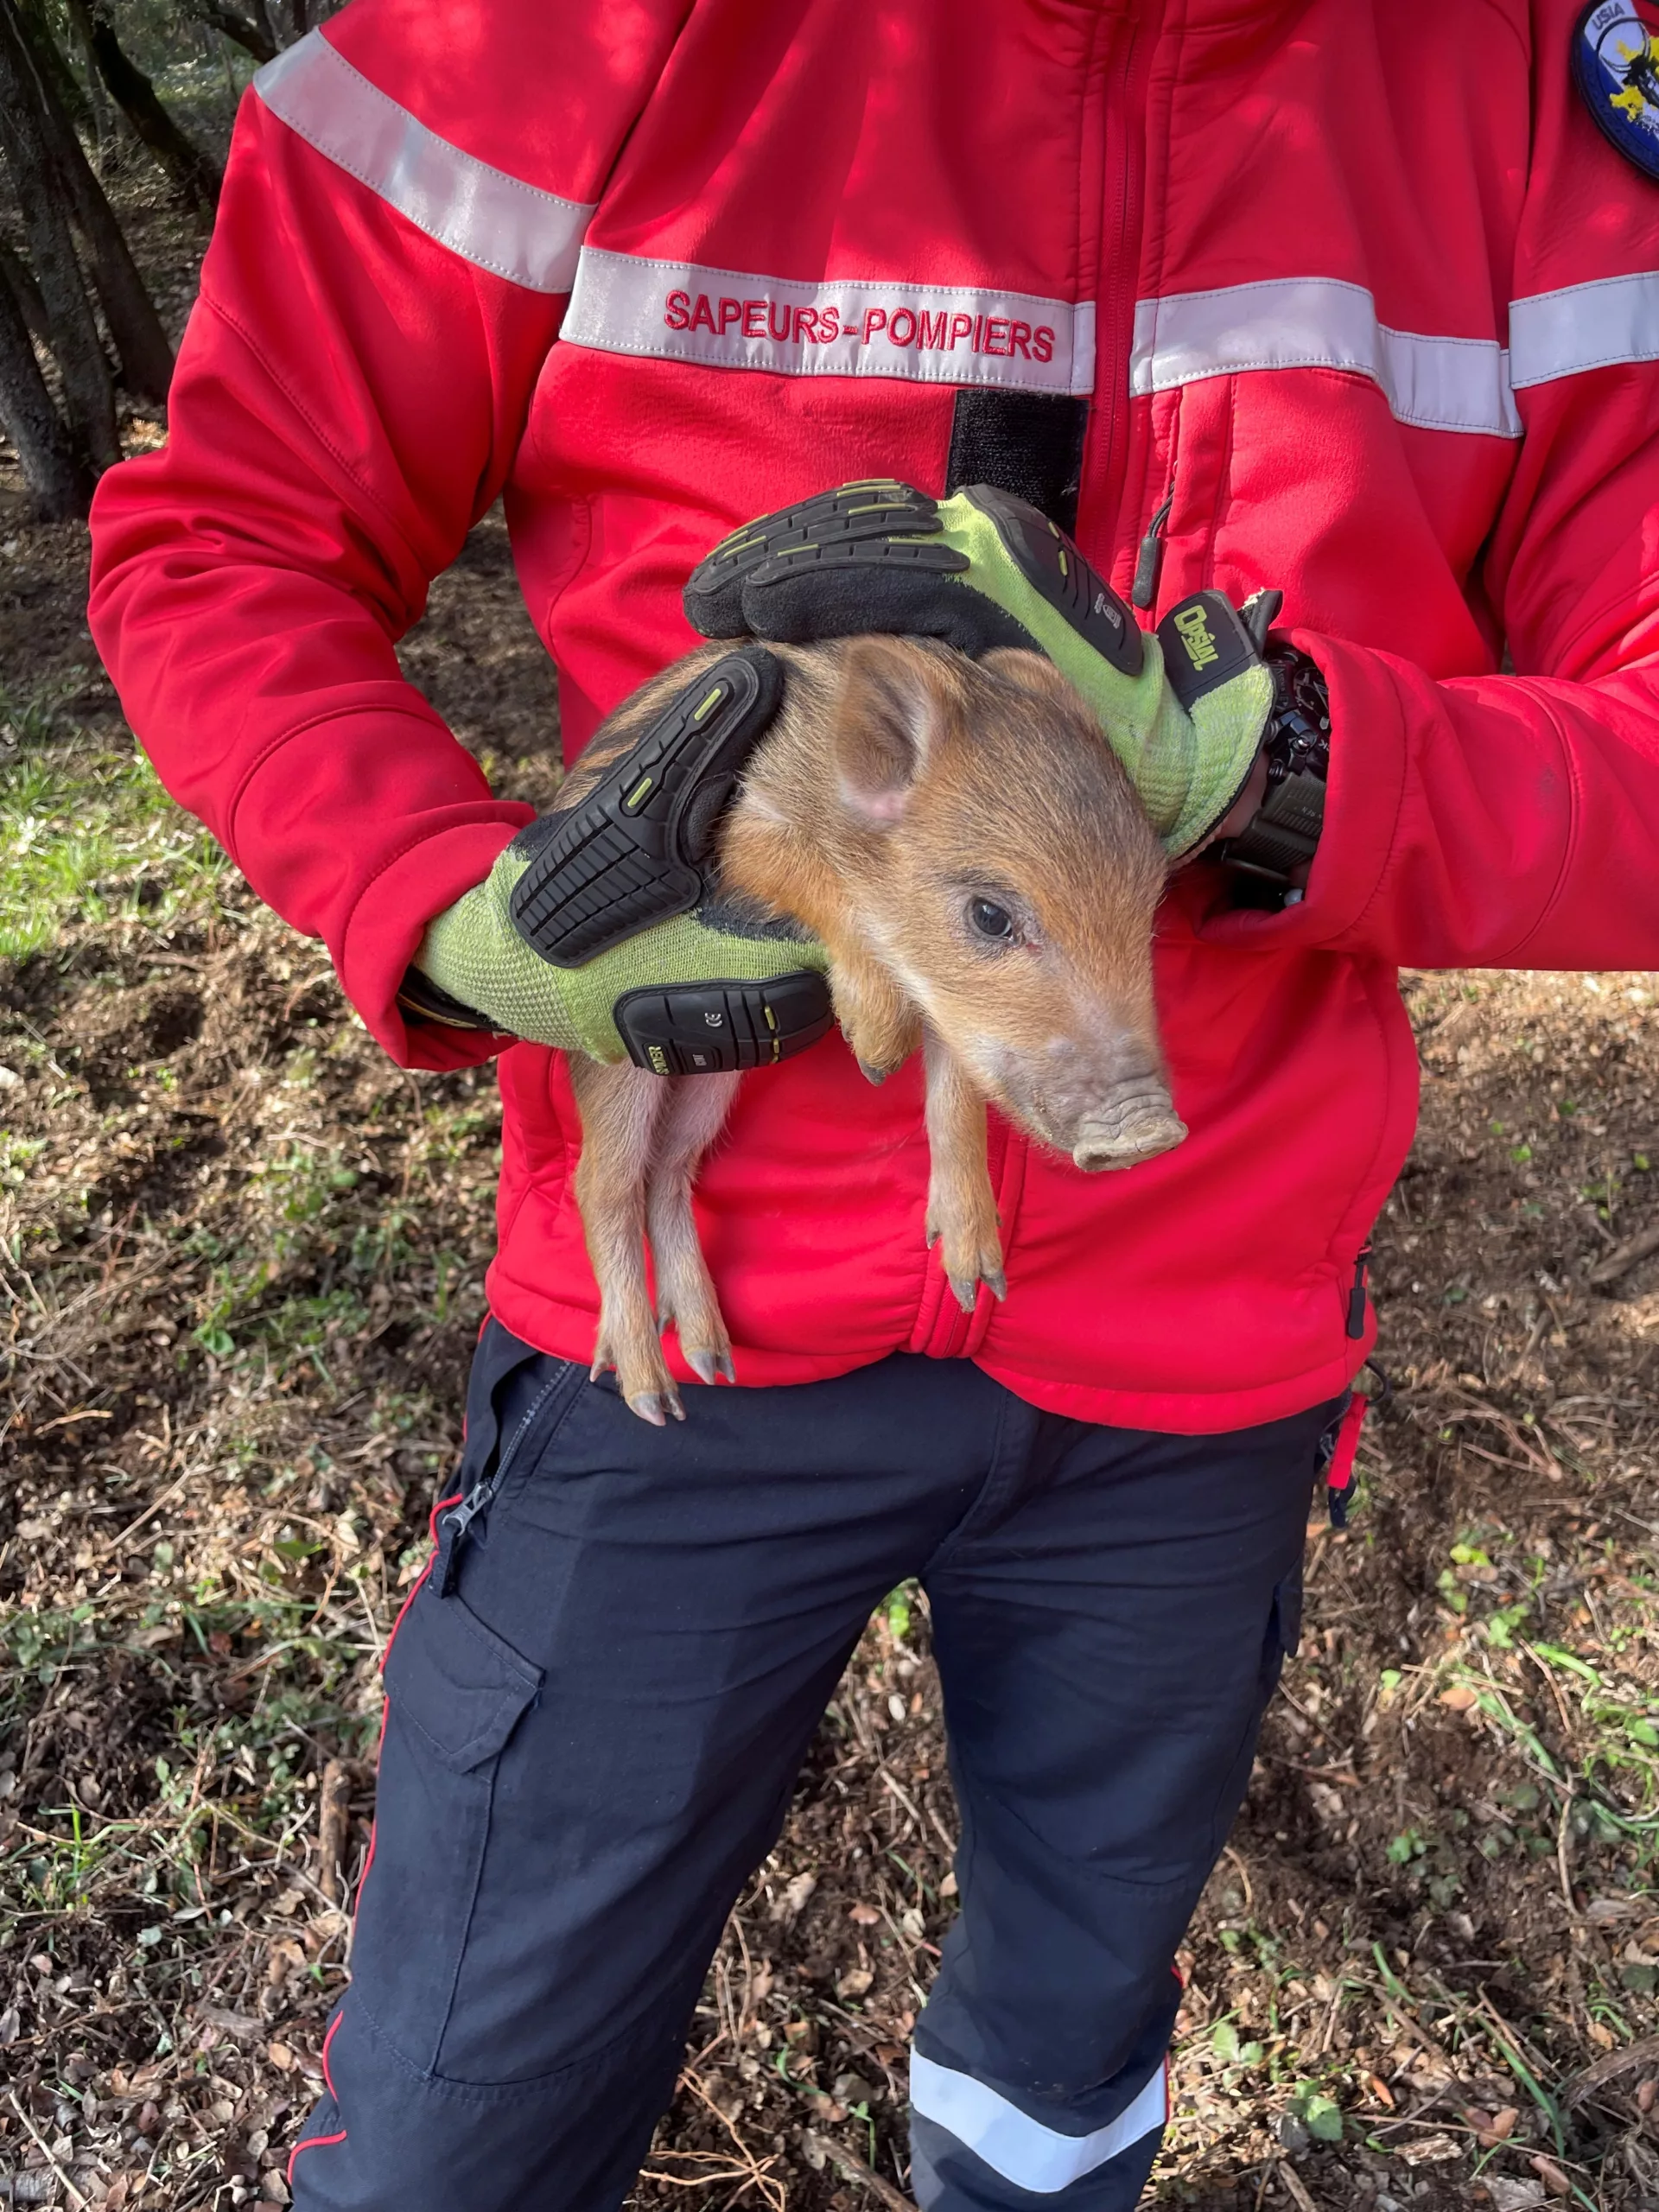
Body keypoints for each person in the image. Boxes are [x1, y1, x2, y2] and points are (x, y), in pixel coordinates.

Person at [86, 4, 1659, 2206]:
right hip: (691, 1323)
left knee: (1063, 2060)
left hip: (1206, 1361)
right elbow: (227, 527)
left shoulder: (1528, 82)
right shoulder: (561, 33)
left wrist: (1286, 763)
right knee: (460, 2118)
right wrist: (447, 903)